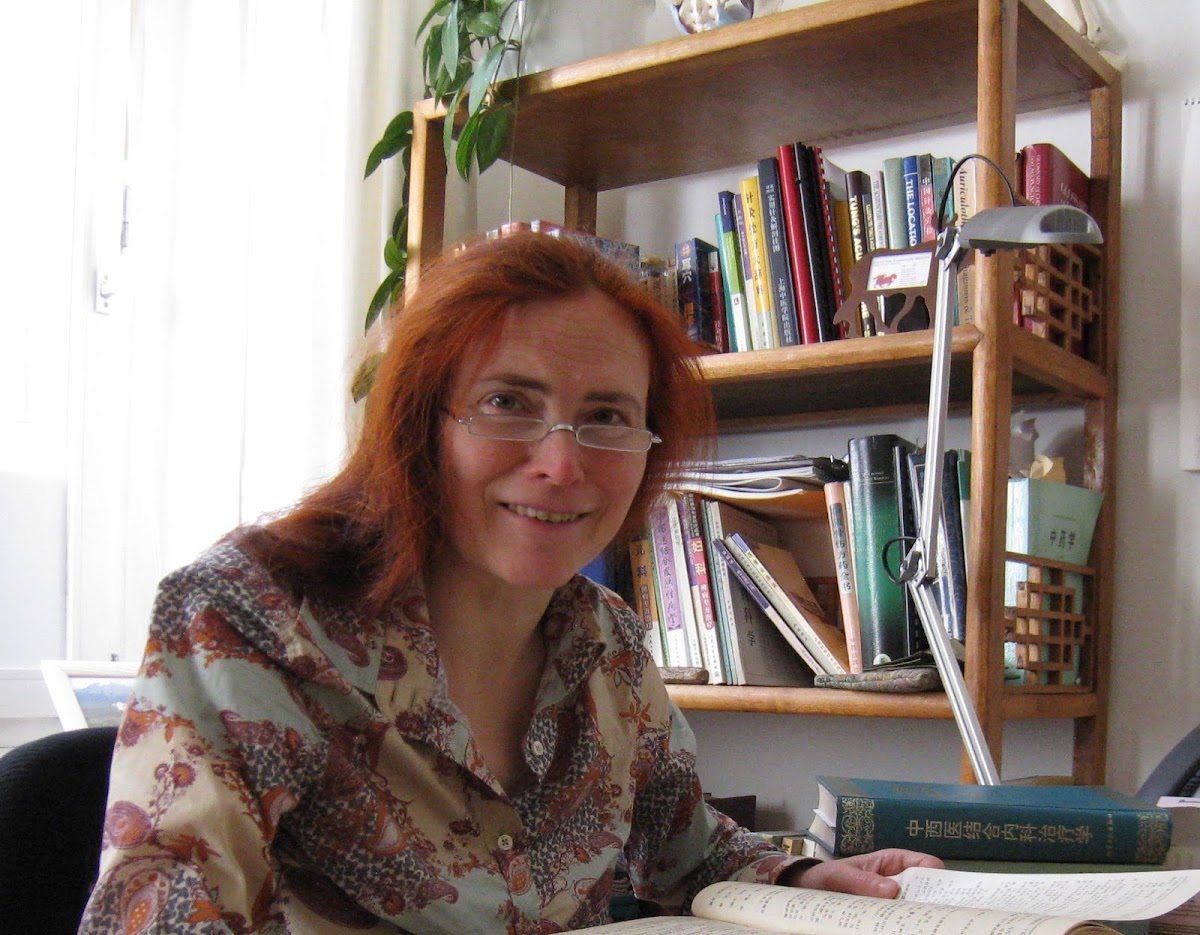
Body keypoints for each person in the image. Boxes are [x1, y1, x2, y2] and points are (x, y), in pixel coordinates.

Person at [78, 231, 940, 934]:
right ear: (422, 423)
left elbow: (689, 853)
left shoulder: (608, 644)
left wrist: (804, 874)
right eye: (507, 402)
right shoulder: (255, 617)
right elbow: (164, 908)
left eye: (606, 416)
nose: (561, 463)